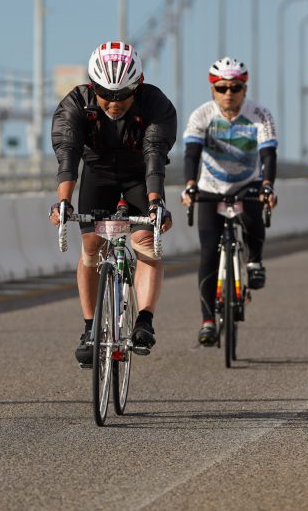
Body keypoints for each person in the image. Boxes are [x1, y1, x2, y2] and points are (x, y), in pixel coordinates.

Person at [49, 41, 176, 367]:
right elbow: (68, 154)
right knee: (91, 246)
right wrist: (63, 202)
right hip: (98, 175)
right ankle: (90, 329)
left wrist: (155, 203)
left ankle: (144, 320)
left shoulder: (155, 104)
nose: (114, 102)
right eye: (106, 93)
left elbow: (154, 156)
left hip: (138, 177)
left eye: (123, 95)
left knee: (144, 240)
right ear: (93, 86)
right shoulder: (76, 102)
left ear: (139, 85)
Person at [180, 57, 278, 347]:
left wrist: (268, 186)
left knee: (252, 219)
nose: (228, 94)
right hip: (211, 186)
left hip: (248, 183)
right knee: (209, 252)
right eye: (221, 88)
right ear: (213, 89)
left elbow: (269, 155)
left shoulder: (260, 114)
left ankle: (255, 261)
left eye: (235, 87)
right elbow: (191, 154)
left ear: (244, 89)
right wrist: (189, 186)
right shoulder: (201, 116)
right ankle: (208, 320)